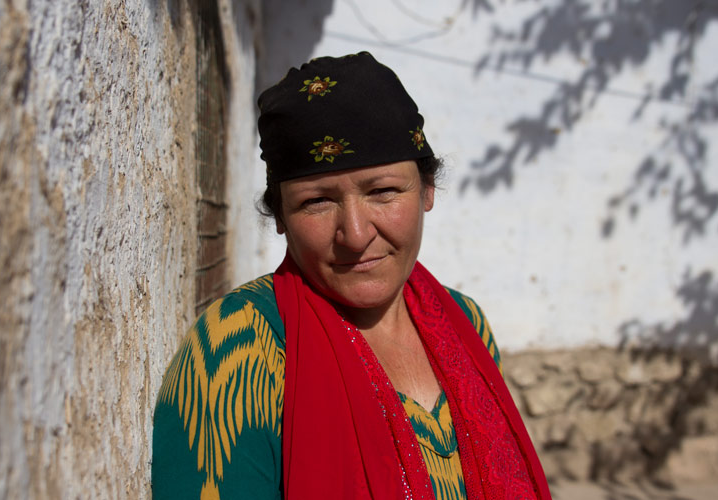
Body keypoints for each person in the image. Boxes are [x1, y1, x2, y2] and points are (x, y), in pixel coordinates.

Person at [152, 52, 550, 500]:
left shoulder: (465, 321)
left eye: (382, 192)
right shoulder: (240, 346)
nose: (355, 236)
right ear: (280, 216)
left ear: (427, 191)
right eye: (317, 202)